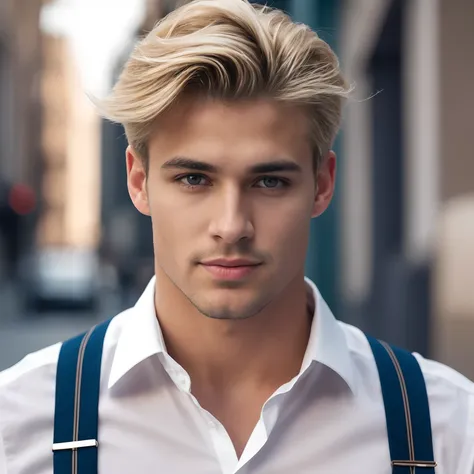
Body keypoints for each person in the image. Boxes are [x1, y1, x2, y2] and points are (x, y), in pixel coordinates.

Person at [1, 0, 473, 473]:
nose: (231, 225)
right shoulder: (18, 425)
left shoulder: (447, 426)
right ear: (139, 182)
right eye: (193, 179)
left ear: (322, 186)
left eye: (269, 182)